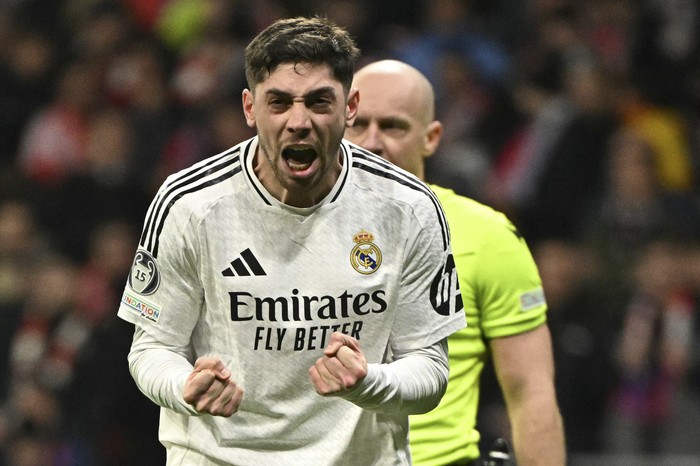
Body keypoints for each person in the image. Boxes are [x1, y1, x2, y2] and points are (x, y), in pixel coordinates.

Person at [117, 17, 465, 466]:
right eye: (278, 102)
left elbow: (431, 370)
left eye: (320, 102)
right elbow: (151, 349)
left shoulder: (409, 207)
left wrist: (367, 382)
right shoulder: (190, 204)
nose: (299, 121)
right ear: (249, 107)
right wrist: (183, 387)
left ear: (350, 106)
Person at [346, 59, 565, 466]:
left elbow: (530, 391)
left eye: (393, 126)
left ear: (431, 138)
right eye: (358, 125)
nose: (372, 142)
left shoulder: (488, 237)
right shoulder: (291, 234)